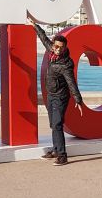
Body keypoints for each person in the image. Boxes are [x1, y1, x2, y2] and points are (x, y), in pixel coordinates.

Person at [29, 18, 83, 166]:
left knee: (57, 124)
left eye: (61, 47)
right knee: (53, 124)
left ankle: (62, 155)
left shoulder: (66, 63)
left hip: (61, 97)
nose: (58, 49)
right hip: (51, 95)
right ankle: (55, 150)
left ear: (65, 48)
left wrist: (78, 99)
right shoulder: (51, 51)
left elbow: (71, 82)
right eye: (56, 46)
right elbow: (43, 37)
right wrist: (35, 25)